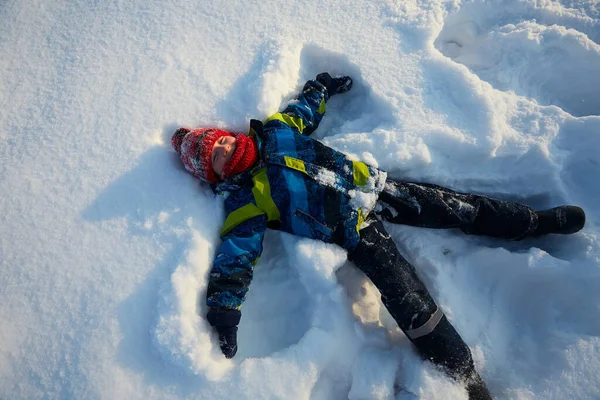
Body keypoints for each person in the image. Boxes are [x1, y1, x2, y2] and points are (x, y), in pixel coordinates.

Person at [171, 73, 585, 399]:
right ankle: (464, 374)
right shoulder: (244, 199)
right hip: (354, 230)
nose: (226, 150)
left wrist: (321, 88)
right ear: (216, 176)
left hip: (375, 187)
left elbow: (302, 110)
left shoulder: (276, 131)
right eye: (217, 158)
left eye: (222, 142)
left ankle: (533, 222)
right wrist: (225, 308)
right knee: (408, 297)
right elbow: (236, 254)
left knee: (457, 207)